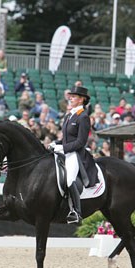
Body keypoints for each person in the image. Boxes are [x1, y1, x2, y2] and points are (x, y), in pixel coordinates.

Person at [52, 86, 98, 223]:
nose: (70, 98)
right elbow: (66, 138)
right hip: (66, 151)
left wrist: (62, 148)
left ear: (82, 99)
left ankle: (76, 212)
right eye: (70, 96)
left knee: (70, 179)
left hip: (75, 155)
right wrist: (56, 143)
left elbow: (80, 142)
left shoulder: (83, 117)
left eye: (74, 96)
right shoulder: (69, 115)